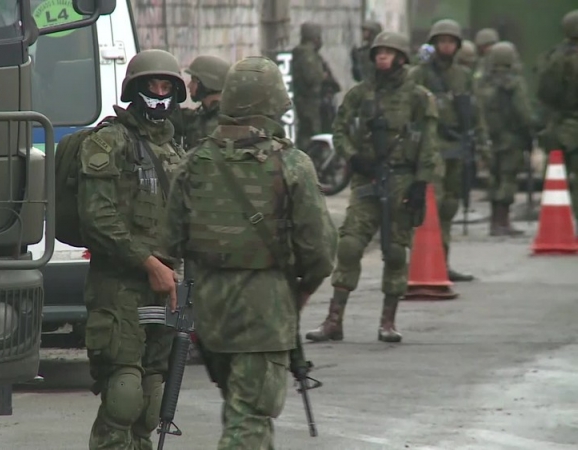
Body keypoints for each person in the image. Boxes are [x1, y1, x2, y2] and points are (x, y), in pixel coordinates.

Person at [164, 56, 338, 449]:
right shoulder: (292, 164)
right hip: (266, 311)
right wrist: (301, 292)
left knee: (241, 409)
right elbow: (321, 251)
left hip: (212, 314)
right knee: (250, 419)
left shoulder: (194, 164)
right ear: (272, 105)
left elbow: (169, 243)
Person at [76, 48, 187, 450]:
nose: (159, 95)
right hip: (119, 286)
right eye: (152, 86)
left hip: (167, 286)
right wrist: (146, 262)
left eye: (166, 87)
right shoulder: (110, 141)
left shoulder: (176, 149)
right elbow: (97, 217)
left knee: (153, 401)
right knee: (123, 394)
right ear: (135, 89)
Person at [305, 31, 438, 344]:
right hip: (368, 178)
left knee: (394, 251)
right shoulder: (359, 94)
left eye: (389, 52)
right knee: (349, 245)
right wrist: (354, 157)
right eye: (379, 52)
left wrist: (421, 182)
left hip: (403, 179)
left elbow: (429, 143)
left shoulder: (419, 96)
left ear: (401, 57)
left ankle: (388, 322)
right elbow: (338, 130)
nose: (382, 56)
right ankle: (333, 320)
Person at [408, 19, 489, 282]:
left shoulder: (463, 75)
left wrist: (481, 140)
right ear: (434, 43)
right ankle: (423, 261)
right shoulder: (419, 74)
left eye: (451, 41)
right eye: (442, 41)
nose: (446, 46)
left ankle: (442, 261)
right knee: (433, 202)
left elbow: (475, 112)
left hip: (457, 145)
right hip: (431, 146)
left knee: (450, 205)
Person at [476, 41, 535, 236]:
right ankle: (503, 221)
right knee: (508, 179)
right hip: (512, 139)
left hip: (490, 139)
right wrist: (529, 135)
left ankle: (495, 222)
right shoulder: (514, 83)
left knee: (495, 178)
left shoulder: (482, 82)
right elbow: (523, 112)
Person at [536, 9, 578, 230]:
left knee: (555, 178)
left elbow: (544, 93)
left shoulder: (553, 56)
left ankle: (556, 226)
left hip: (558, 125)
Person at [292, 21, 341, 149]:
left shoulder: (305, 53)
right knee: (312, 135)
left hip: (310, 102)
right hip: (310, 103)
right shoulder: (306, 54)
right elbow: (313, 77)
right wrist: (323, 76)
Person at [170, 54, 231, 150]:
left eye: (194, 81)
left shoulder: (224, 122)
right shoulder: (199, 116)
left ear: (208, 83)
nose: (189, 85)